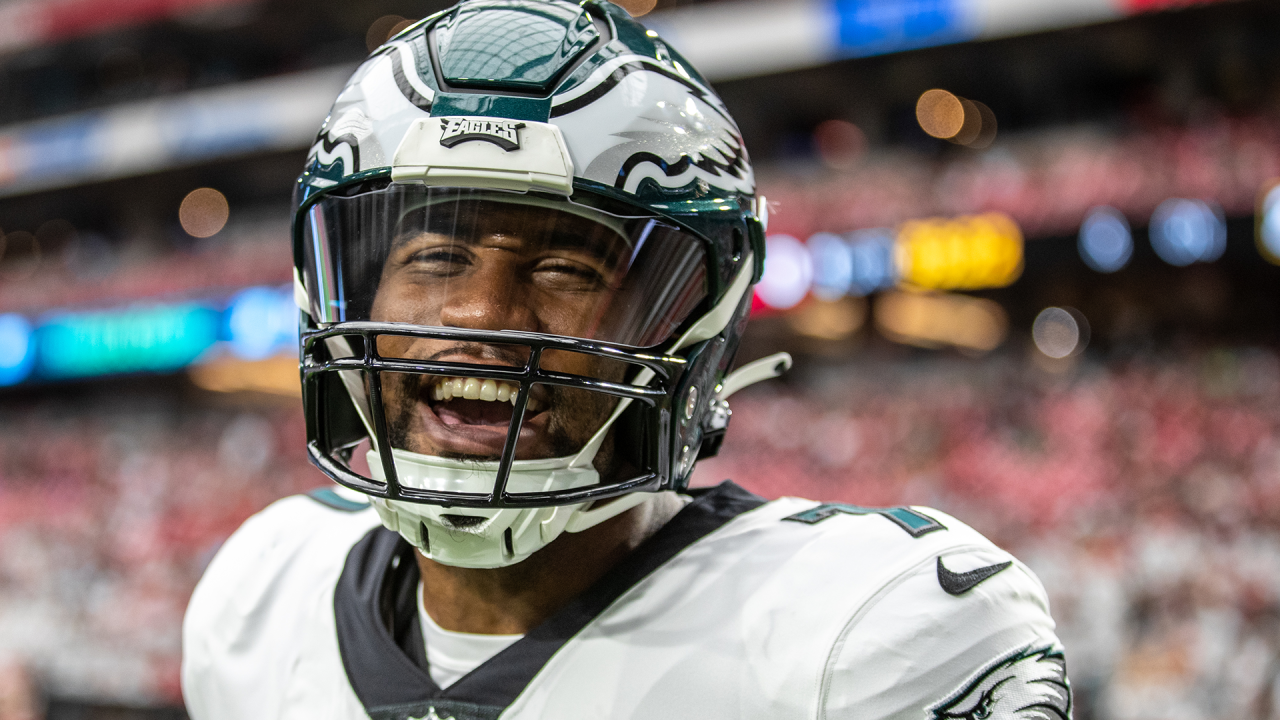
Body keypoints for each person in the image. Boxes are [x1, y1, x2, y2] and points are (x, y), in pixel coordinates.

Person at [182, 1, 1072, 718]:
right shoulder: (260, 598)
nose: (481, 317)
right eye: (436, 258)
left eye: (567, 267)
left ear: (694, 319)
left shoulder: (863, 634)